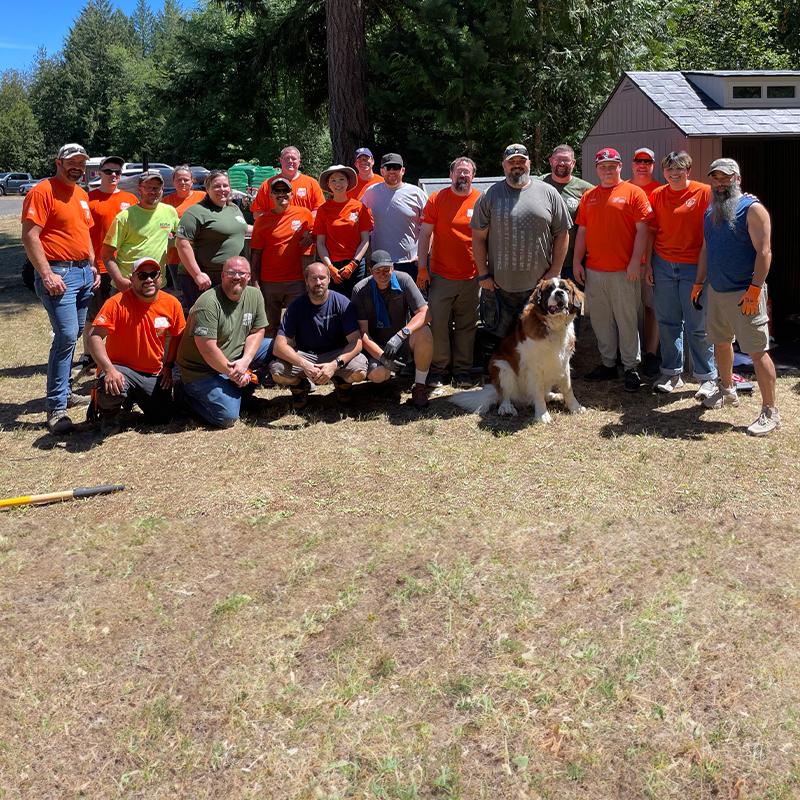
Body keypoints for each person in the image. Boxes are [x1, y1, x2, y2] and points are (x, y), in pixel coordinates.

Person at [695, 158, 779, 436]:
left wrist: (755, 288)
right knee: (720, 343)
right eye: (715, 178)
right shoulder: (711, 212)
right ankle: (727, 390)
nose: (720, 183)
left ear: (737, 178)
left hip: (746, 294)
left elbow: (764, 252)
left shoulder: (752, 209)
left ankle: (770, 411)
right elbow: (706, 249)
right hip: (717, 291)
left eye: (726, 178)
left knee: (757, 351)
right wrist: (698, 282)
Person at [22, 142, 99, 433]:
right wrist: (45, 273)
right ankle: (56, 409)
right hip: (58, 273)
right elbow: (30, 236)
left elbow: (85, 231)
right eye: (72, 162)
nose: (77, 167)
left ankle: (65, 392)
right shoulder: (42, 191)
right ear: (58, 163)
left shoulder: (81, 194)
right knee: (66, 336)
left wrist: (92, 263)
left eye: (81, 163)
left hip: (81, 272)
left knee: (75, 332)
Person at [471, 143, 571, 341]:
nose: (517, 165)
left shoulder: (549, 193)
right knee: (502, 344)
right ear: (504, 165)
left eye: (521, 161)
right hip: (500, 289)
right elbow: (478, 238)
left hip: (537, 289)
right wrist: (483, 275)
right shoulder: (490, 195)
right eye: (512, 162)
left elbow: (562, 233)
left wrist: (554, 271)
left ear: (529, 164)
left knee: (539, 341)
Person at [573, 147, 652, 392]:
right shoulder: (589, 196)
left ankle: (631, 367)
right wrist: (577, 261)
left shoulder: (634, 193)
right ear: (597, 169)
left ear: (620, 167)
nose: (607, 170)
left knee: (627, 319)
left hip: (624, 271)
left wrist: (635, 262)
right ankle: (608, 363)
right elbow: (582, 232)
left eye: (612, 165)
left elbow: (643, 231)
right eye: (603, 166)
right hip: (595, 271)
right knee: (600, 320)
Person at [646, 151, 716, 397]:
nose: (674, 174)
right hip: (663, 264)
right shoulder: (657, 195)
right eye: (670, 169)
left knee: (697, 324)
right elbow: (651, 231)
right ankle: (672, 373)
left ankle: (707, 378)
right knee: (668, 321)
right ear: (664, 172)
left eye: (680, 169)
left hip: (694, 266)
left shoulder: (704, 192)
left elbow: (726, 210)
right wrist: (647, 265)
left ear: (688, 170)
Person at [88, 256, 185, 433]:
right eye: (142, 275)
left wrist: (169, 366)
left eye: (153, 274)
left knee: (163, 418)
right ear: (131, 279)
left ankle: (131, 400)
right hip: (121, 368)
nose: (148, 280)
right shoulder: (116, 302)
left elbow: (178, 336)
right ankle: (109, 416)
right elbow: (94, 337)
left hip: (152, 372)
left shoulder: (172, 304)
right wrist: (109, 370)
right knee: (111, 386)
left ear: (160, 278)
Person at [176, 256, 271, 428]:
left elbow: (258, 331)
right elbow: (207, 349)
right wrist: (234, 373)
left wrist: (245, 362)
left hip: (235, 357)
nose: (237, 277)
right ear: (222, 276)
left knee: (274, 347)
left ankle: (242, 390)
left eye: (242, 273)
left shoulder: (254, 294)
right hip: (201, 369)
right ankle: (185, 395)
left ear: (249, 277)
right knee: (227, 418)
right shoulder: (208, 303)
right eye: (231, 272)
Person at [417, 157, 481, 387]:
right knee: (439, 324)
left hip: (472, 276)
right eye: (459, 171)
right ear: (451, 174)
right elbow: (425, 234)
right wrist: (422, 268)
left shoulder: (481, 200)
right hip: (441, 275)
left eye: (467, 172)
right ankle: (440, 369)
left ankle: (462, 370)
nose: (462, 175)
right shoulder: (437, 199)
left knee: (467, 325)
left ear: (473, 176)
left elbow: (488, 237)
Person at [270, 261, 368, 409]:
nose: (318, 282)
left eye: (322, 278)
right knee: (277, 371)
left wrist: (335, 365)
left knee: (359, 371)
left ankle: (342, 384)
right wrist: (305, 365)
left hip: (336, 354)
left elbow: (356, 342)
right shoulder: (296, 306)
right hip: (306, 356)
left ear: (329, 279)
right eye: (313, 278)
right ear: (306, 281)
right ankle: (300, 387)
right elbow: (279, 346)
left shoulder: (342, 302)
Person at [78, 155, 139, 370]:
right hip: (97, 266)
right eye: (109, 171)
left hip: (122, 267)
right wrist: (90, 262)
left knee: (121, 313)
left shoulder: (130, 199)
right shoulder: (88, 199)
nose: (114, 175)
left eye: (118, 172)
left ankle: (117, 353)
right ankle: (89, 354)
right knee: (93, 313)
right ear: (98, 174)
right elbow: (81, 232)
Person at [352, 250, 433, 408]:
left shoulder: (404, 280)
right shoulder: (360, 290)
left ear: (393, 268)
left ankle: (420, 386)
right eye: (378, 271)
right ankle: (386, 382)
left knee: (424, 331)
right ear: (370, 271)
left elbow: (426, 313)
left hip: (400, 340)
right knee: (377, 375)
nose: (383, 274)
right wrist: (383, 357)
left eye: (386, 270)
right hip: (377, 346)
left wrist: (401, 334)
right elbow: (363, 333)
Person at [175, 170, 250, 311]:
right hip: (204, 278)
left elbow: (243, 228)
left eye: (225, 186)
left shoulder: (233, 208)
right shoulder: (196, 212)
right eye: (217, 186)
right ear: (207, 189)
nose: (222, 190)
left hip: (229, 276)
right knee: (203, 323)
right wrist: (197, 274)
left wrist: (271, 227)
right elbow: (182, 243)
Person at [250, 176, 314, 336]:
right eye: (276, 191)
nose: (281, 194)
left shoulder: (304, 214)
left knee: (297, 322)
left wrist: (312, 235)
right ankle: (269, 357)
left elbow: (317, 231)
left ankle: (294, 356)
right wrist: (255, 281)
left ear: (292, 194)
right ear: (270, 196)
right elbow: (255, 253)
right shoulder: (262, 221)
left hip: (297, 281)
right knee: (269, 325)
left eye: (285, 191)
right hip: (269, 282)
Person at [102, 170, 179, 292]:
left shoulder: (170, 212)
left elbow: (182, 239)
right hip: (128, 285)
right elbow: (106, 254)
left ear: (162, 189)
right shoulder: (125, 217)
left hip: (156, 284)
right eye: (148, 187)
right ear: (140, 189)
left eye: (157, 187)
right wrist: (119, 280)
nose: (153, 191)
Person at [361, 152, 428, 282]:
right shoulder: (371, 192)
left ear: (402, 170)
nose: (392, 171)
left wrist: (422, 256)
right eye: (388, 167)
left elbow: (429, 226)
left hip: (410, 260)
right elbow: (357, 215)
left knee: (411, 300)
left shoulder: (417, 193)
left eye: (396, 167)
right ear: (381, 171)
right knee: (383, 301)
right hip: (381, 261)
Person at [314, 164, 373, 298]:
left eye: (341, 179)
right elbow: (320, 243)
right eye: (333, 180)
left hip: (356, 265)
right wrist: (330, 268)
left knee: (357, 303)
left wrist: (353, 264)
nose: (337, 183)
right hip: (332, 266)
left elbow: (365, 240)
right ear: (328, 185)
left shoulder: (359, 207)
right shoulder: (323, 210)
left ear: (348, 182)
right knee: (336, 303)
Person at [628, 147, 662, 377]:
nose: (642, 164)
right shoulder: (624, 188)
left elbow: (653, 230)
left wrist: (648, 261)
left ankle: (651, 354)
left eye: (647, 161)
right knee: (628, 311)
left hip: (652, 260)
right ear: (631, 164)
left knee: (652, 308)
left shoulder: (660, 191)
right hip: (625, 260)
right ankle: (629, 356)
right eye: (638, 160)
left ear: (653, 165)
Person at [538, 144, 593, 284]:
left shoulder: (586, 190)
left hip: (572, 263)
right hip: (540, 263)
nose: (562, 163)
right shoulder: (536, 185)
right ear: (551, 161)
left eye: (566, 160)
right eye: (557, 159)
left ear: (573, 163)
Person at [162, 164, 206, 295]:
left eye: (186, 179)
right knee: (182, 292)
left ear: (192, 181)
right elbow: (162, 225)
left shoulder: (203, 197)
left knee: (202, 287)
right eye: (179, 179)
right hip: (175, 255)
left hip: (200, 252)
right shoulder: (166, 201)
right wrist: (167, 231)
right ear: (173, 182)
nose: (182, 182)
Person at [250, 145, 325, 218]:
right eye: (287, 158)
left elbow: (320, 209)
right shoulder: (267, 184)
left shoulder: (311, 183)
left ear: (299, 161)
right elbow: (257, 213)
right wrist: (279, 223)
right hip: (277, 229)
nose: (290, 161)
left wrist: (302, 221)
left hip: (305, 228)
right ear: (281, 160)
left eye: (293, 158)